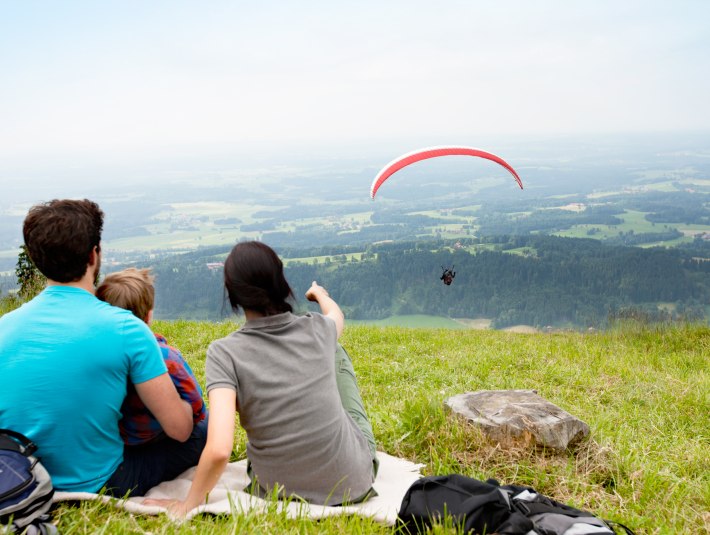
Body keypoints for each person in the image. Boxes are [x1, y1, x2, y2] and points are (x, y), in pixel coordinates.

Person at [146, 241, 379, 517]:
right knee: (335, 349)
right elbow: (336, 316)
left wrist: (188, 504)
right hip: (352, 483)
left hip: (275, 488)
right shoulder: (318, 329)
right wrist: (318, 294)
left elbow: (220, 448)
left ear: (232, 294)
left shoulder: (223, 353)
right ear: (280, 281)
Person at [0, 199, 198, 496]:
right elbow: (179, 430)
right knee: (201, 433)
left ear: (35, 257)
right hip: (102, 481)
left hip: (18, 476)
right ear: (94, 255)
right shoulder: (128, 329)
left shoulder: (4, 326)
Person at [95, 267, 208, 449]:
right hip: (155, 440)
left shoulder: (95, 355)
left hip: (112, 443)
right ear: (148, 316)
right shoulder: (166, 357)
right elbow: (197, 405)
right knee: (207, 427)